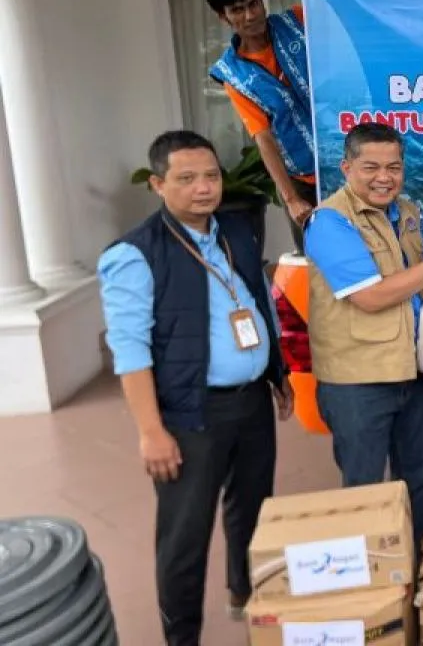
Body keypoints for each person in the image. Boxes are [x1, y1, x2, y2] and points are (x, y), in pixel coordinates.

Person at [97, 130, 293, 646]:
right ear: (158, 184)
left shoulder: (235, 232)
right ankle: (181, 637)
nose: (204, 188)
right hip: (190, 413)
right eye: (186, 178)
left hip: (250, 402)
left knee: (253, 507)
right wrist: (151, 431)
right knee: (185, 536)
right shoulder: (135, 254)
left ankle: (245, 595)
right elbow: (130, 351)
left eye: (210, 176)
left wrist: (276, 374)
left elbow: (260, 302)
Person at [304, 122, 423, 555]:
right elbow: (371, 297)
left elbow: (410, 278)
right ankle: (375, 582)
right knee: (365, 487)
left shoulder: (408, 211)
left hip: (412, 369)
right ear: (346, 168)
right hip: (358, 380)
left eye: (394, 167)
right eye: (371, 167)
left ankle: (414, 567)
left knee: (418, 477)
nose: (384, 178)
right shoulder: (330, 222)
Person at [205, 0, 329, 252]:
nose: (250, 16)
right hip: (302, 181)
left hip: (349, 165)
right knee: (317, 262)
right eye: (237, 10)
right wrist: (291, 199)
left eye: (253, 4)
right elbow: (264, 138)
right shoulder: (233, 74)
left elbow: (341, 15)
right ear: (223, 17)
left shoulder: (297, 21)